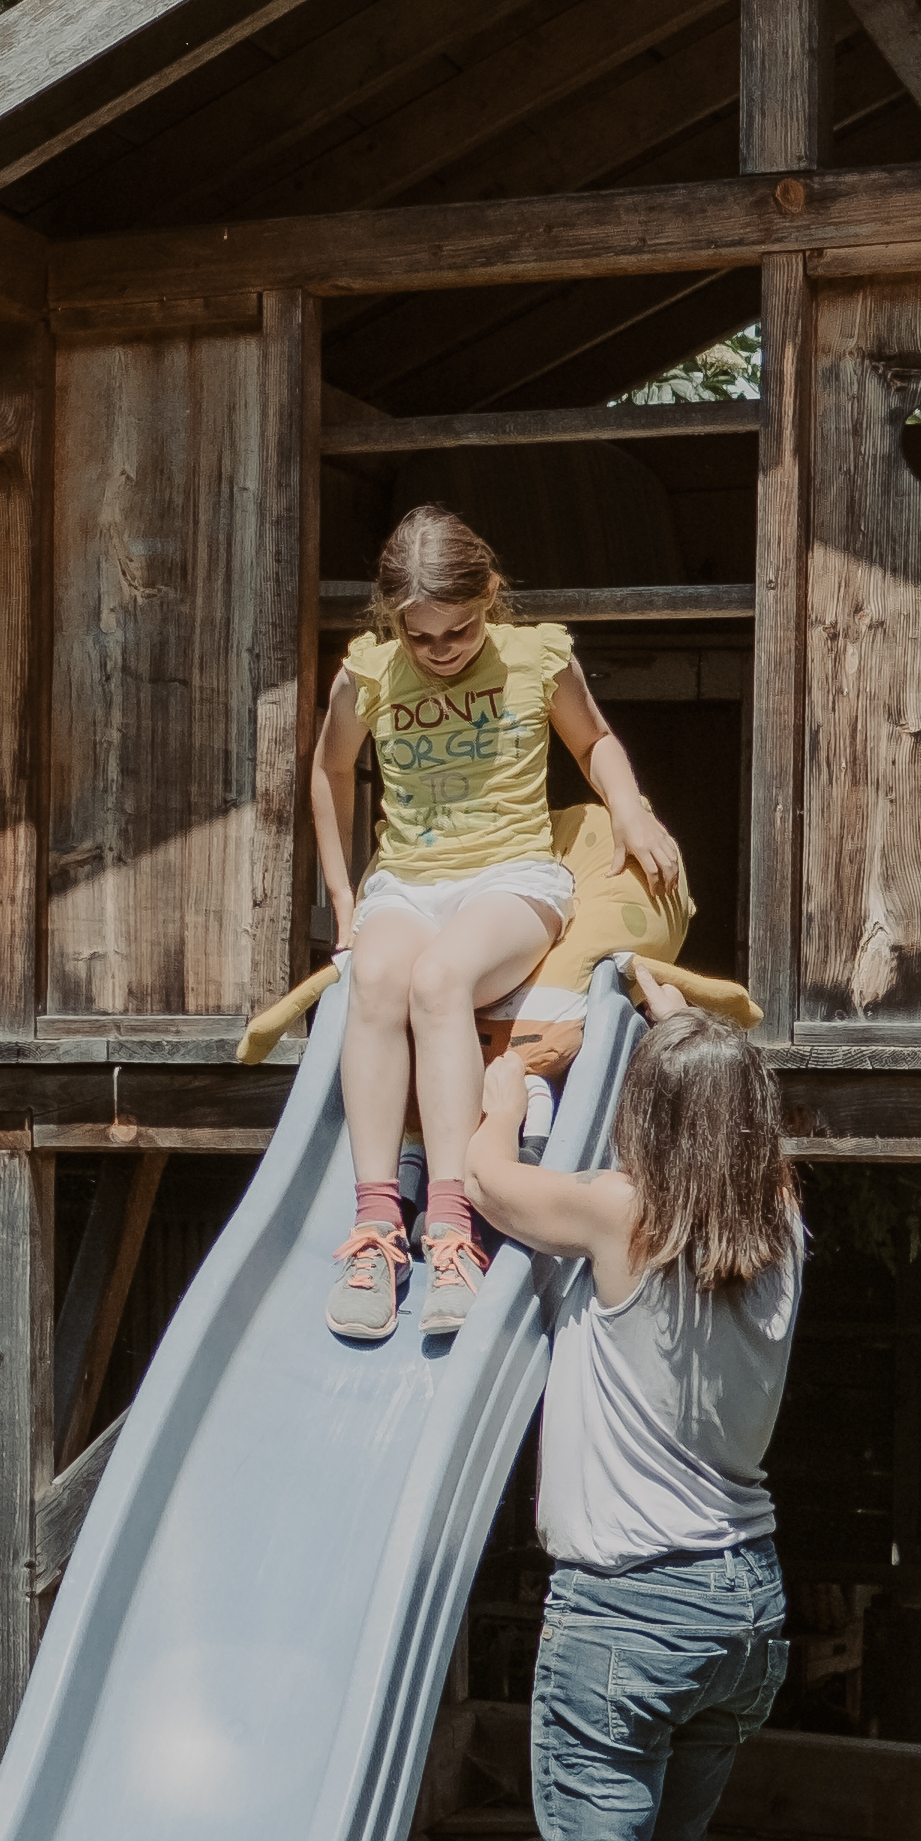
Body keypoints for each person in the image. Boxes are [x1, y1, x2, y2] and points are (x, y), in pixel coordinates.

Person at [453, 988, 806, 1841]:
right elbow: (730, 1114)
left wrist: (511, 1075)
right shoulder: (784, 1224)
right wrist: (680, 1017)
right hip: (746, 1606)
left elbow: (487, 1181)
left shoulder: (621, 1214)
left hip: (628, 1613)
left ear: (647, 1119)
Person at [302, 505, 689, 1339]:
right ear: (394, 623)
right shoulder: (368, 674)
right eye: (421, 637)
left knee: (440, 979)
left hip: (511, 877)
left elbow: (594, 743)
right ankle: (376, 1224)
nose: (441, 650)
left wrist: (629, 810)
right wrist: (343, 895)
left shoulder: (535, 658)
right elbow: (330, 770)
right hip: (409, 881)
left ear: (490, 598)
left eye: (460, 630)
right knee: (377, 976)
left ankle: (450, 1226)